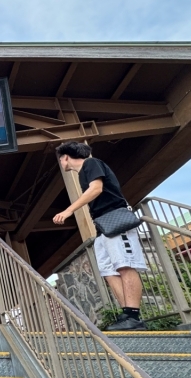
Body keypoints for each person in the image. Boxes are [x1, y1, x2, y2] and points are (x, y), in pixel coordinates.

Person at [53, 141, 148, 330]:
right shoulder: (83, 174)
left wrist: (69, 210)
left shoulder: (91, 163)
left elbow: (97, 189)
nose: (61, 164)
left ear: (65, 157)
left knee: (125, 265)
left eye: (60, 160)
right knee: (108, 270)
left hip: (115, 220)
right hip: (102, 226)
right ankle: (127, 315)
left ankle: (133, 316)